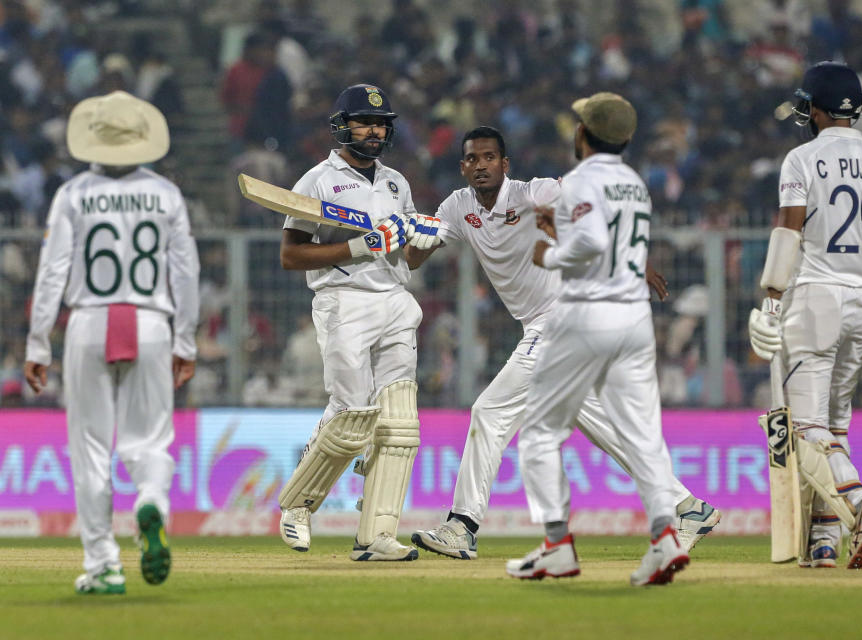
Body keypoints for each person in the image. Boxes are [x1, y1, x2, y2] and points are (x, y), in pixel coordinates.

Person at [406, 126, 721, 562]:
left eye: (489, 157)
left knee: (489, 411)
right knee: (603, 426)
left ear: (505, 164)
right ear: (463, 167)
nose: (481, 165)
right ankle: (690, 508)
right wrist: (414, 235)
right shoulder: (456, 207)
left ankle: (462, 526)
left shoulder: (534, 193)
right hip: (548, 325)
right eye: (472, 159)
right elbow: (414, 258)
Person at [748, 62, 862, 569]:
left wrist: (769, 299)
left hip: (813, 296)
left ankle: (857, 502)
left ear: (814, 109)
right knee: (836, 424)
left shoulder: (801, 159)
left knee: (807, 426)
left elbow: (788, 232)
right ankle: (824, 541)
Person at [503, 93, 692, 586]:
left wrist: (550, 253)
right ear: (626, 138)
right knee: (643, 435)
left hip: (587, 313)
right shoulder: (634, 182)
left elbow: (590, 243)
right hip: (634, 318)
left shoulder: (582, 179)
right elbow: (603, 234)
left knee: (540, 433)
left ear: (582, 133)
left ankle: (557, 546)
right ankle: (665, 538)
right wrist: (560, 225)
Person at [23, 91, 200, 594]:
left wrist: (38, 343)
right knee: (150, 441)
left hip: (89, 321)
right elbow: (185, 271)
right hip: (150, 321)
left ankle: (103, 565)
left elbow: (52, 271)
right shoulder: (166, 194)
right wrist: (185, 339)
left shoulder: (73, 193)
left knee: (91, 450)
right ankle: (151, 502)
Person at [275, 84, 440, 562]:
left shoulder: (396, 183)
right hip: (343, 301)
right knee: (351, 417)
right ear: (342, 126)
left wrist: (429, 240)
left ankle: (376, 536)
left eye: (381, 123)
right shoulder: (317, 181)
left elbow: (406, 257)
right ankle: (298, 506)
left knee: (400, 425)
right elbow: (291, 256)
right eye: (364, 122)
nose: (374, 131)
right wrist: (357, 246)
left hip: (394, 300)